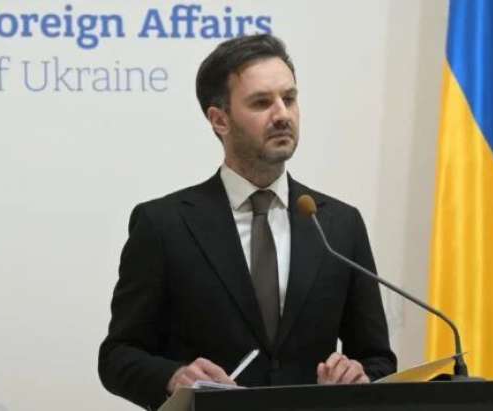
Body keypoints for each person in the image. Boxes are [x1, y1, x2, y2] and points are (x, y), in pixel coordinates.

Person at [98, 34, 396, 410]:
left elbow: (377, 358)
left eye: (289, 98)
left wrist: (357, 375)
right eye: (261, 102)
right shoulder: (164, 225)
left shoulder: (338, 225)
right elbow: (118, 356)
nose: (282, 114)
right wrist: (174, 378)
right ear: (219, 120)